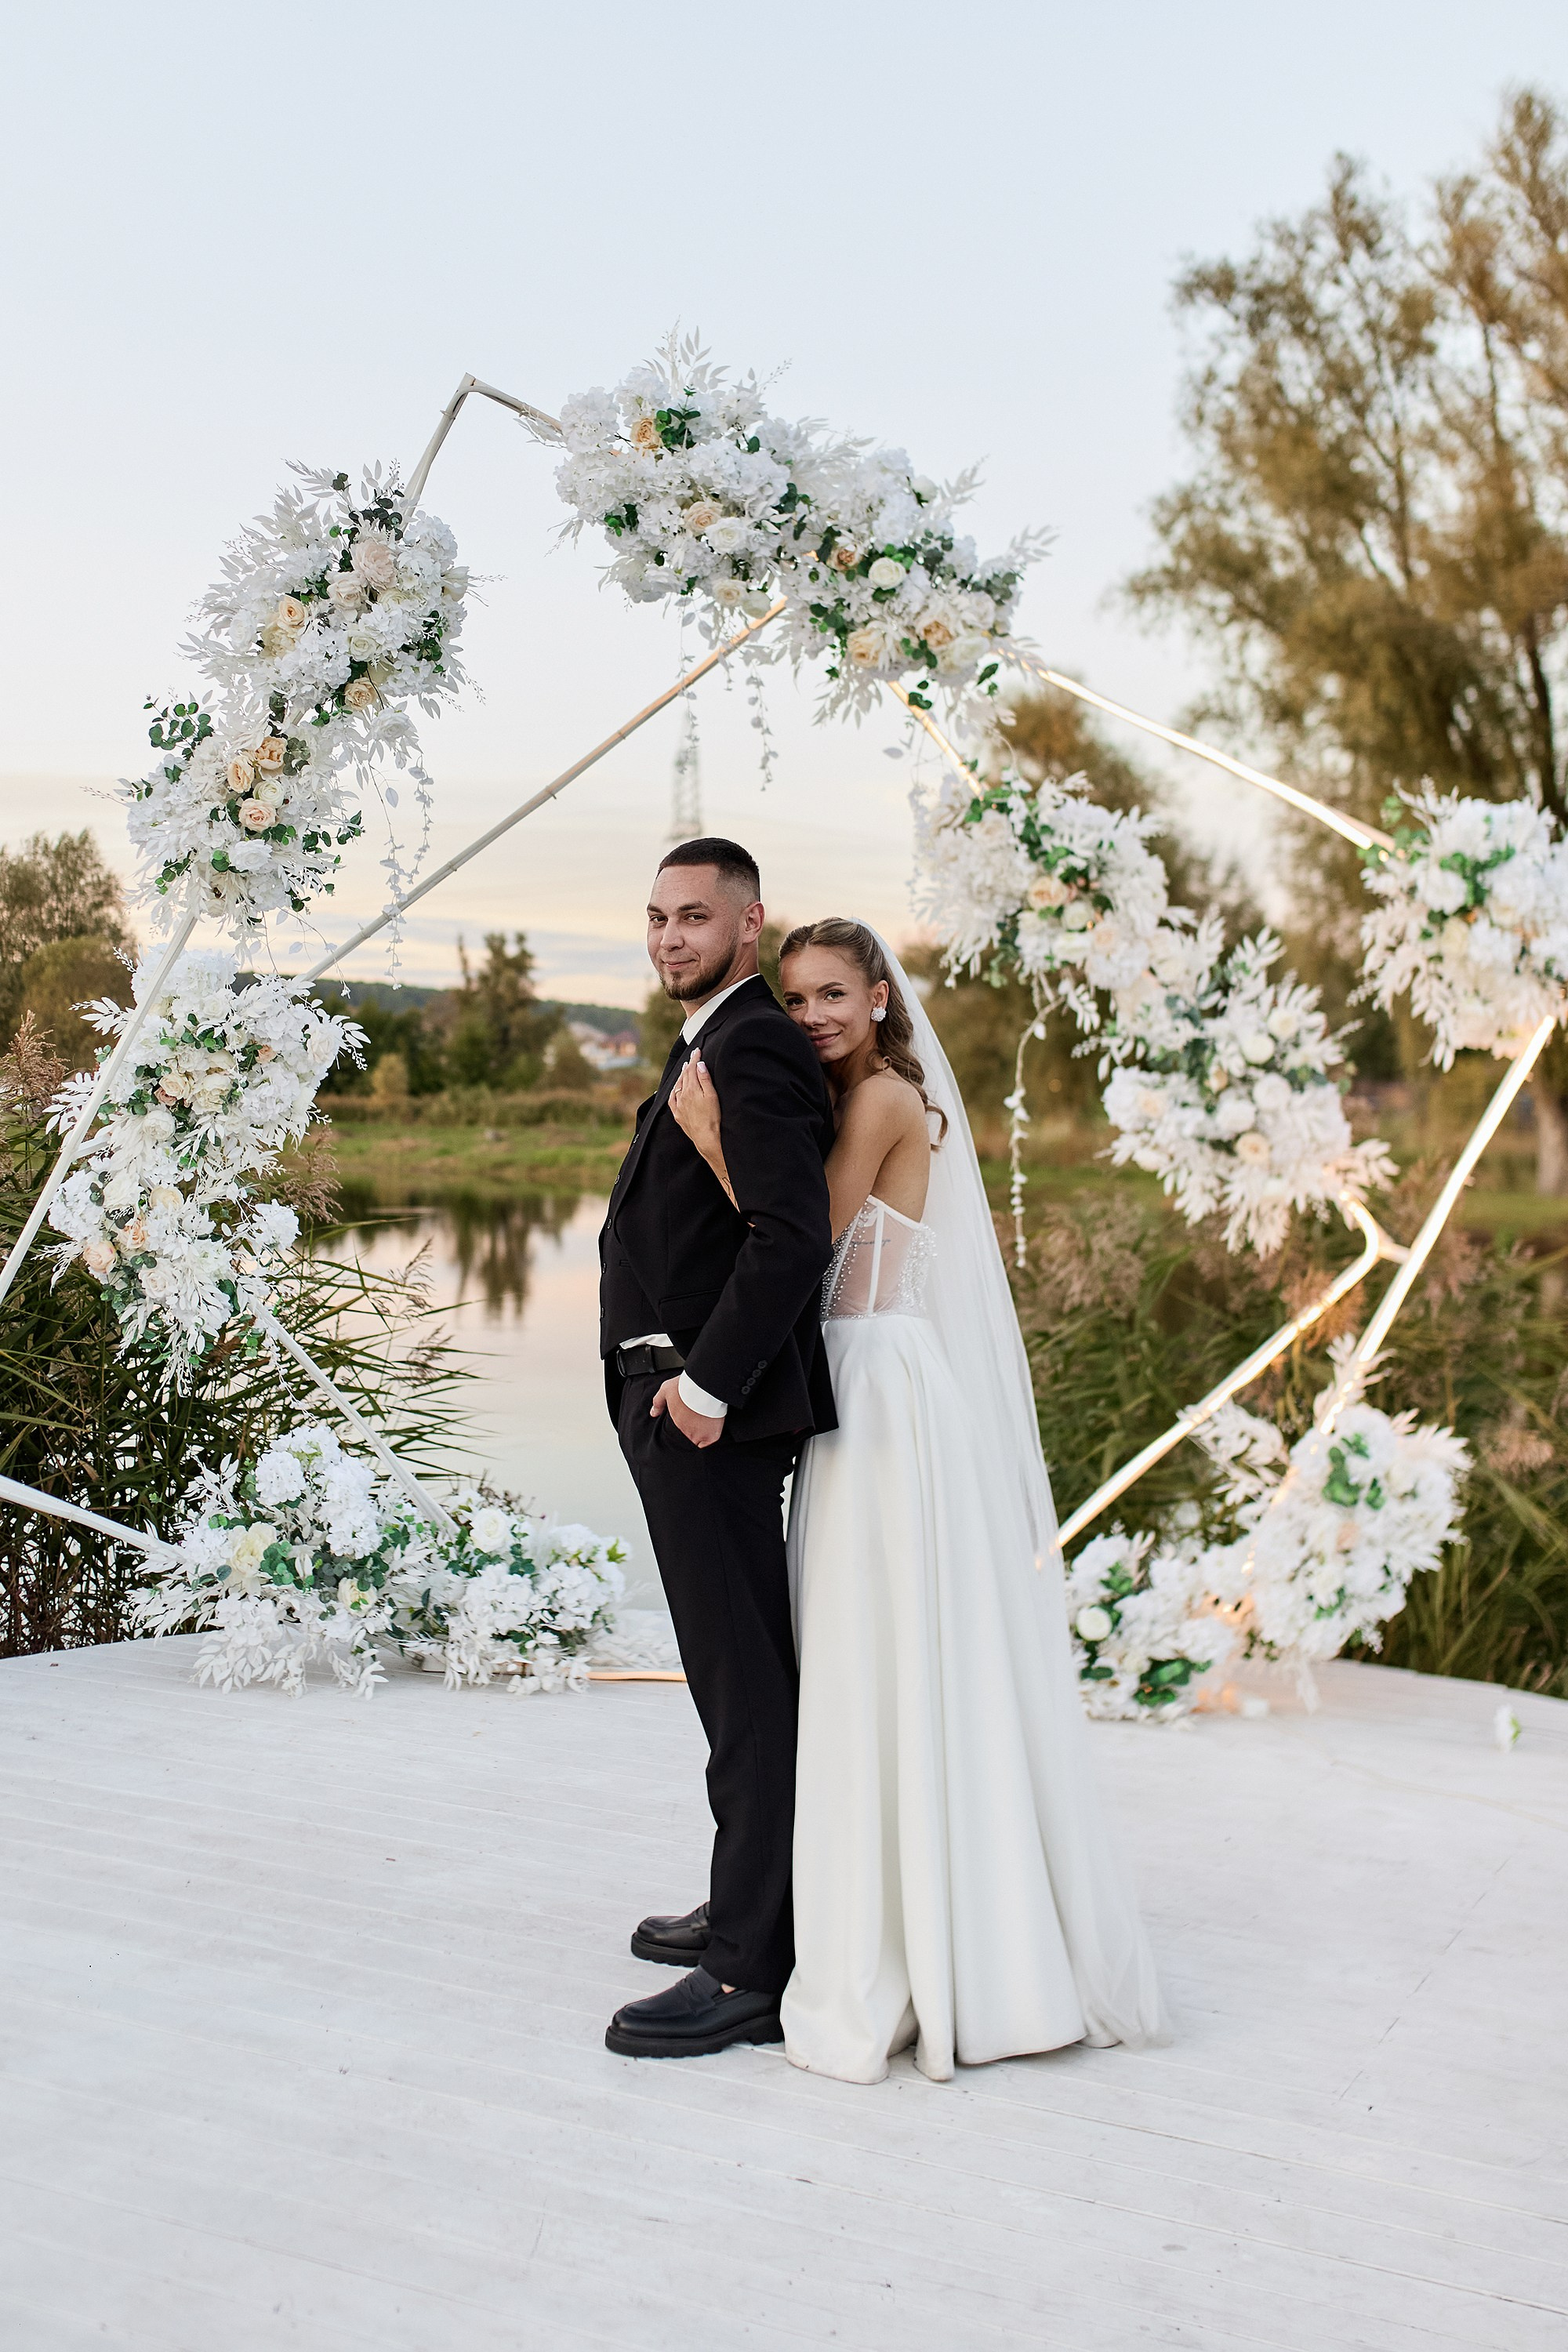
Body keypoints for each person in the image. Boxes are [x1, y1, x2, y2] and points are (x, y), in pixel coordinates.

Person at [668, 917, 1167, 2082]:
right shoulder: (849, 1094)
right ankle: (866, 1905)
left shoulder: (886, 1098)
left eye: (834, 994)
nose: (812, 1018)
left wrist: (708, 1135)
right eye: (794, 999)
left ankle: (930, 1940)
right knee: (862, 1657)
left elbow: (813, 1241)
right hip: (853, 1383)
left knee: (880, 1649)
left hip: (882, 1392)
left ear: (883, 997)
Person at [600, 839, 837, 2061]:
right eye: (655, 918)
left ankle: (754, 1968)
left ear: (750, 925)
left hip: (711, 1417)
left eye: (693, 917)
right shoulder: (707, 1043)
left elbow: (789, 1236)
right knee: (726, 1679)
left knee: (747, 1688)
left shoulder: (752, 1046)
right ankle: (748, 1901)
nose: (669, 938)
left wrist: (702, 1387)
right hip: (680, 1407)